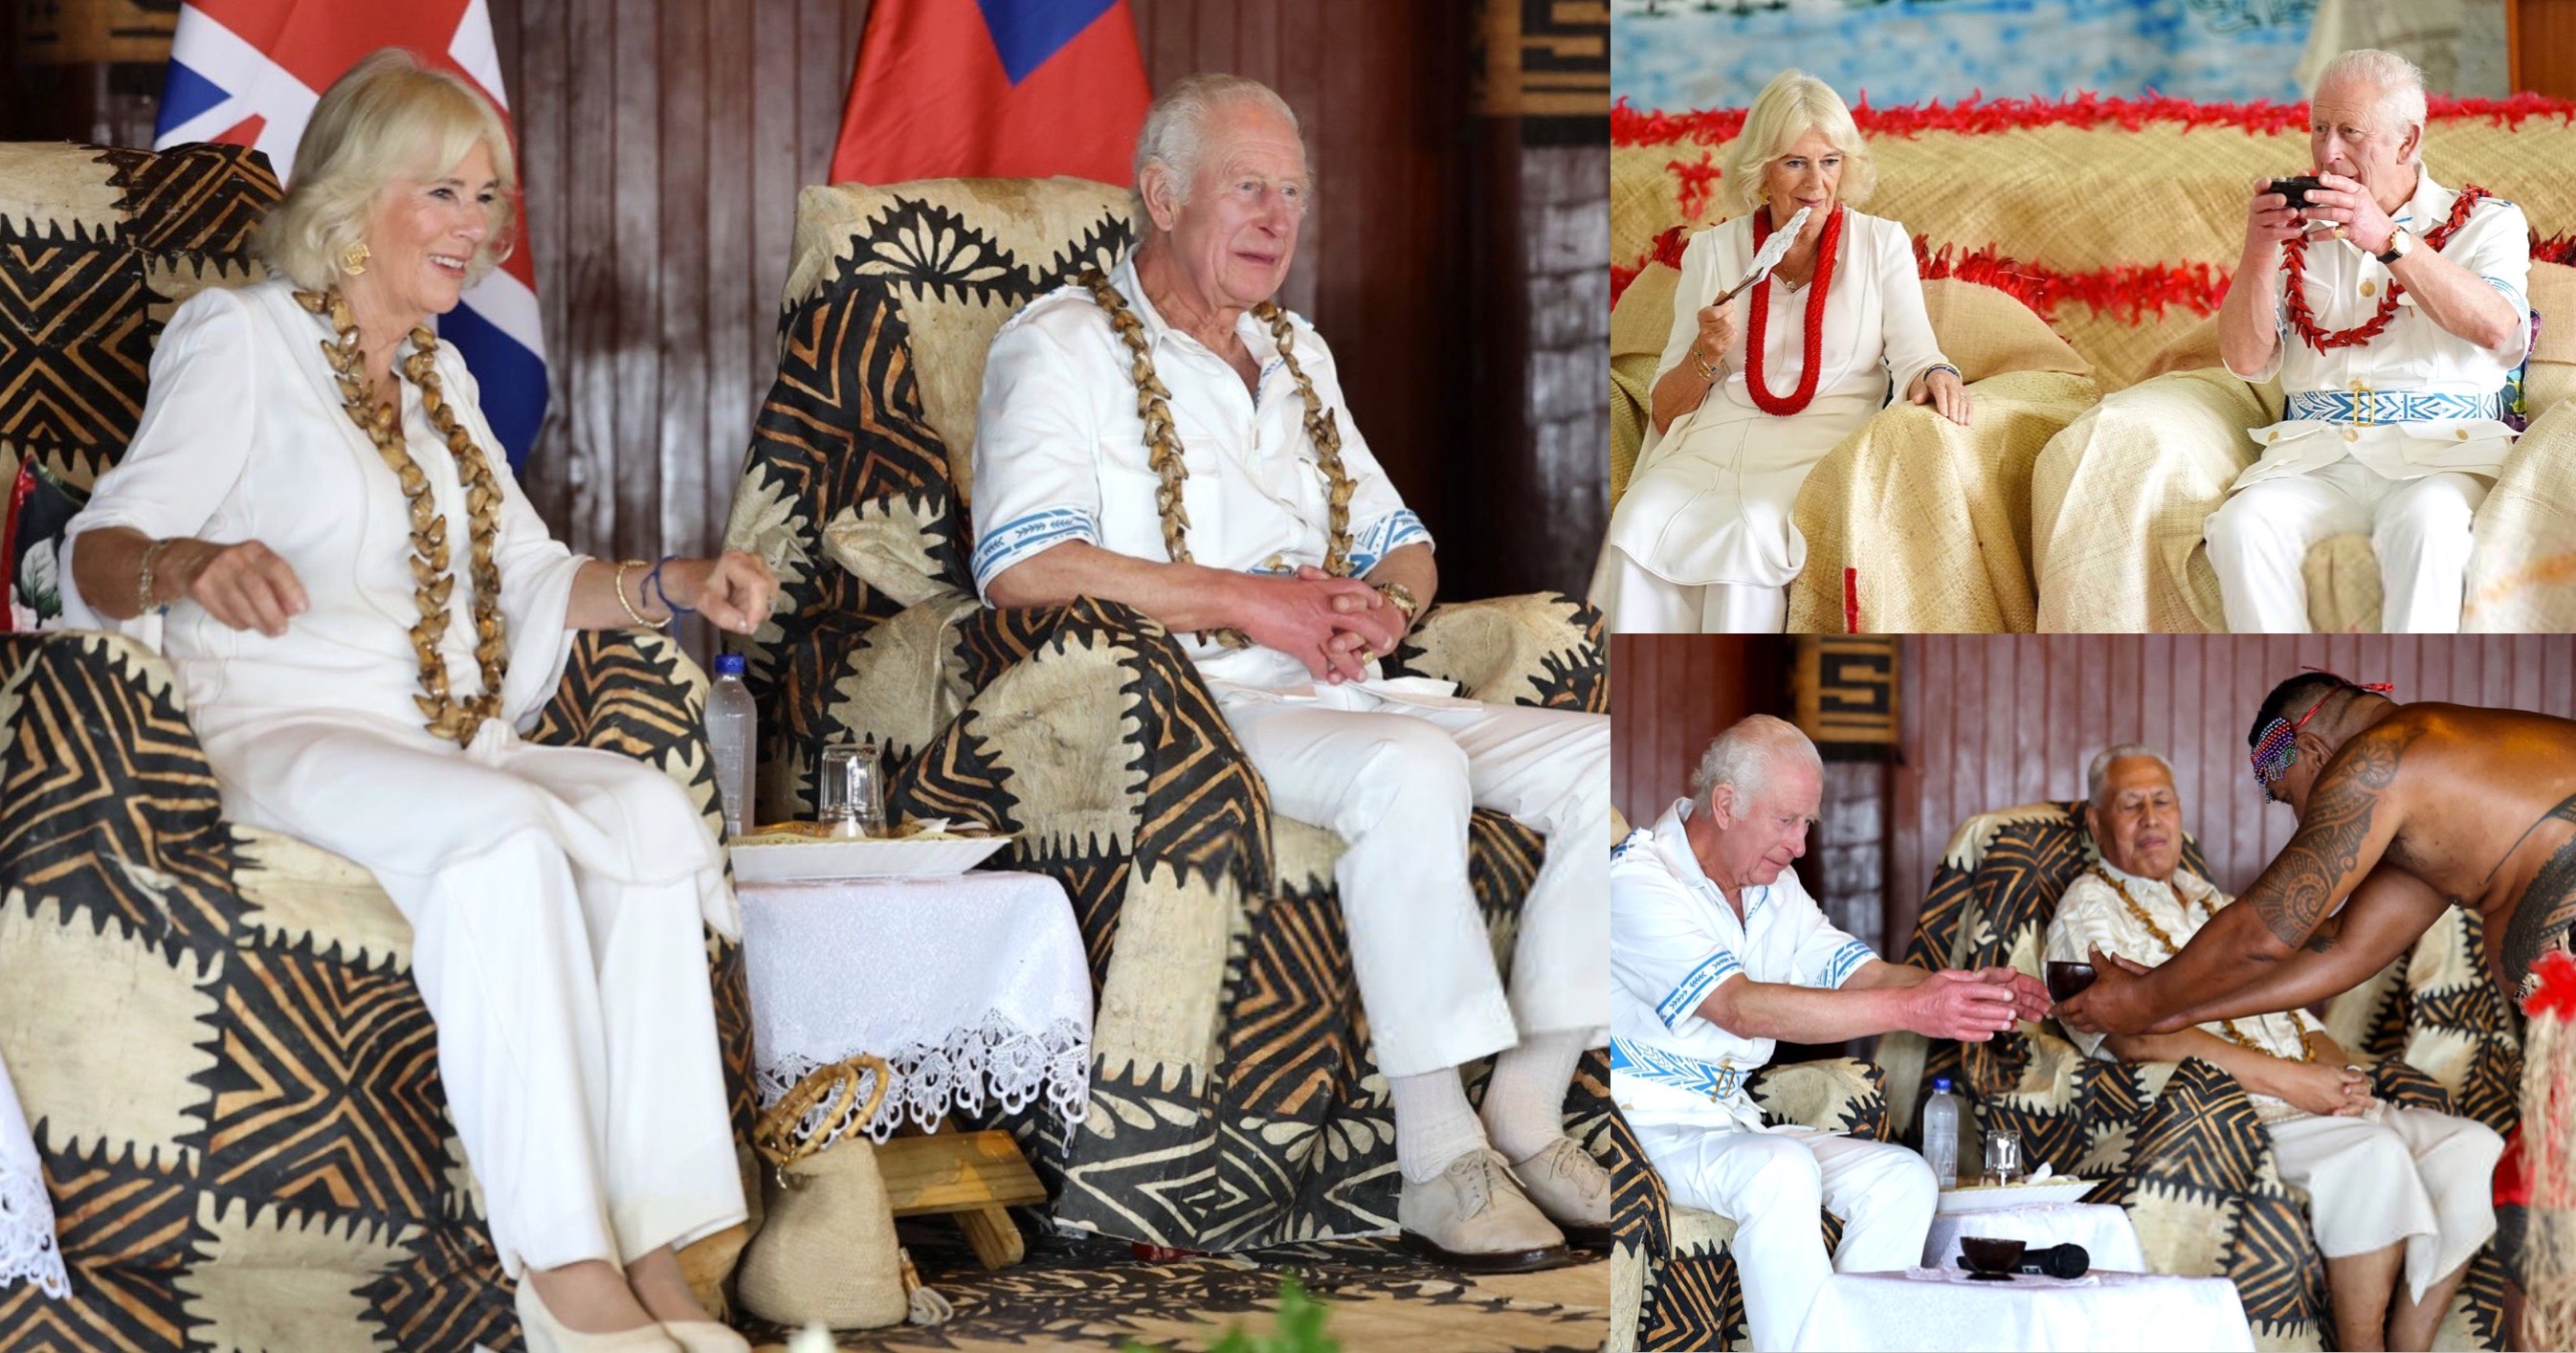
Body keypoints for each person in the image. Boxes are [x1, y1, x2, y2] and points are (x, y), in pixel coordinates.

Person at [58, 51, 775, 1353]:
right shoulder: (242, 340)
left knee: (650, 815)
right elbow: (95, 548)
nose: (479, 225)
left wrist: (675, 582)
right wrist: (189, 567)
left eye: (490, 197)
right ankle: (565, 1278)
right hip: (283, 724)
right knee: (500, 841)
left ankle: (657, 1252)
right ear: (350, 204)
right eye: (443, 191)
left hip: (450, 733)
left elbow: (537, 579)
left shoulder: (443, 382)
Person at [967, 75, 1610, 1272]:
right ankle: (1435, 1157)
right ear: (1160, 196)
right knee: (1412, 772)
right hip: (1195, 702)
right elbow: (1022, 565)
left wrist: (1386, 608)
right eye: (1247, 188)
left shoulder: (1296, 351)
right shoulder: (1057, 346)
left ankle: (1526, 1101)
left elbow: (1400, 541)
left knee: (1600, 756)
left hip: (1347, 686)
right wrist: (1251, 600)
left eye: (1294, 194)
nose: (1277, 218)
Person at [1613, 716, 2048, 1351]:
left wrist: (1966, 987)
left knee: (1904, 1180)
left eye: (1808, 824)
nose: (1801, 846)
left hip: (1733, 1122)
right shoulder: (1637, 880)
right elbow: (1739, 1008)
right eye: (1787, 821)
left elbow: (1863, 975)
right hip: (1643, 1123)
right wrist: (1914, 1011)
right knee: (1781, 1172)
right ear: (1727, 805)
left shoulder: (1776, 890)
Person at [2047, 743, 2498, 1351]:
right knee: (2373, 1155)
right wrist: (2292, 1082)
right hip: (2238, 1112)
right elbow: (2129, 1034)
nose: (2152, 819)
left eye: (2163, 802)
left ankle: (2408, 1346)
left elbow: (2299, 1018)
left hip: (2308, 1100)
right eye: (2131, 806)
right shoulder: (2088, 906)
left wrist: (2339, 1078)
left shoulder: (2215, 902)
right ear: (2098, 824)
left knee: (2474, 1148)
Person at [1590, 69, 1965, 634]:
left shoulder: (1880, 244)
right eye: (1795, 163)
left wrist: (1937, 373)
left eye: (1830, 161)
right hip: (1715, 439)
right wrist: (1705, 351)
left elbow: (1917, 355)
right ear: (1761, 171)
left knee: (1749, 533)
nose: (1816, 184)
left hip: (1822, 443)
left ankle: (1732, 693)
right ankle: (1627, 698)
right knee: (1639, 518)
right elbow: (1666, 410)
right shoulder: (1711, 253)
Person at [2204, 48, 2532, 633]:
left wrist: (2388, 240)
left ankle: (2413, 698)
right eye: (2320, 129)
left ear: (2406, 142)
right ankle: (2288, 690)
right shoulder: (2299, 230)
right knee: (2241, 524)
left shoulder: (2489, 221)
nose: (2329, 152)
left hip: (2441, 454)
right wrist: (2259, 252)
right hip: (2317, 456)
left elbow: (2498, 328)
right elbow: (2246, 360)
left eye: (2350, 132)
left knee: (2428, 526)